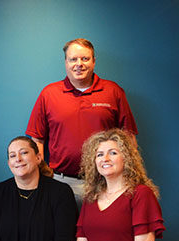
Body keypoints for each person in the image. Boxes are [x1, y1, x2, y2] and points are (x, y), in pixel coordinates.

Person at [26, 38, 138, 196]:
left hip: (106, 180)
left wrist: (129, 174)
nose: (79, 64)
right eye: (73, 59)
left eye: (85, 58)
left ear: (93, 62)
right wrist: (40, 177)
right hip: (61, 182)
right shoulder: (49, 94)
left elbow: (128, 137)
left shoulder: (113, 92)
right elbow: (37, 140)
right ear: (66, 62)